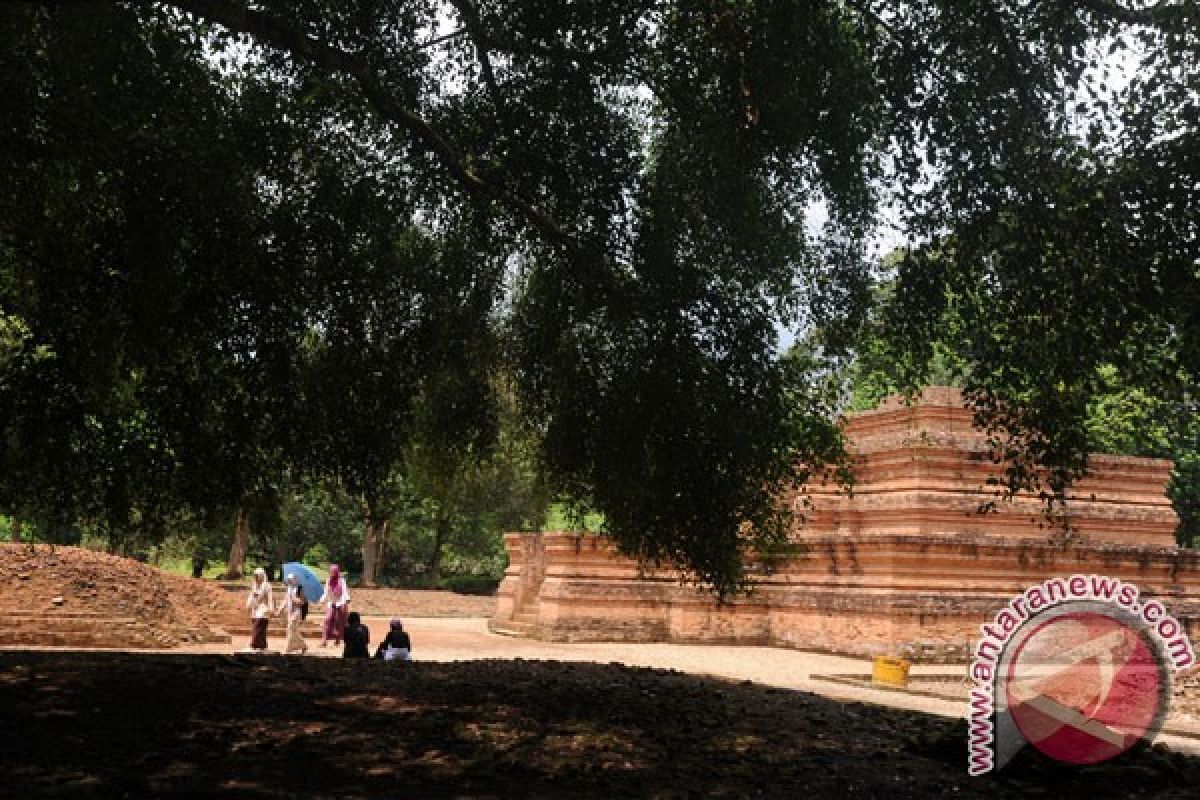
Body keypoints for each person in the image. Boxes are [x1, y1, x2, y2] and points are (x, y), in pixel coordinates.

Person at [319, 564, 351, 647]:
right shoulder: (328, 580)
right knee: (327, 619)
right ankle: (324, 641)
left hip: (340, 603)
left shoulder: (341, 580)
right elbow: (325, 592)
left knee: (339, 622)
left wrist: (346, 601)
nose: (332, 573)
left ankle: (337, 640)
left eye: (334, 571)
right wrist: (321, 601)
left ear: (337, 572)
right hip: (331, 603)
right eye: (331, 571)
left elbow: (344, 591)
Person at [245, 567, 274, 652]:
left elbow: (270, 597)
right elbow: (251, 595)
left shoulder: (267, 585)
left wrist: (271, 608)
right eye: (255, 575)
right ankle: (262, 645)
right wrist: (248, 604)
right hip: (255, 607)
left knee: (258, 625)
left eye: (258, 575)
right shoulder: (254, 585)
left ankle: (253, 645)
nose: (256, 577)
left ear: (261, 576)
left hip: (263, 608)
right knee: (258, 626)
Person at [278, 573, 308, 655]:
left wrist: (293, 598)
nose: (289, 581)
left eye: (291, 579)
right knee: (293, 630)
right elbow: (285, 599)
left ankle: (288, 649)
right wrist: (280, 609)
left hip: (297, 611)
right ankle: (303, 645)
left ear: (295, 579)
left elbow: (302, 602)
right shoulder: (289, 588)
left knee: (291, 628)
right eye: (289, 580)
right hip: (289, 611)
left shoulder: (300, 589)